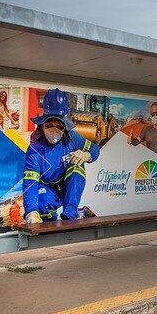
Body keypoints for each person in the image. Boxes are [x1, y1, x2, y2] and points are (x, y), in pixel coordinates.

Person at [22, 88, 99, 223]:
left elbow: (94, 149)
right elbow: (30, 183)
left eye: (59, 126)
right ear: (42, 125)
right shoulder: (35, 150)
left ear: (65, 126)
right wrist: (31, 211)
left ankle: (70, 214)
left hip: (66, 188)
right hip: (46, 189)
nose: (54, 130)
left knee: (77, 167)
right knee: (42, 201)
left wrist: (86, 155)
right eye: (49, 125)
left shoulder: (72, 138)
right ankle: (47, 222)